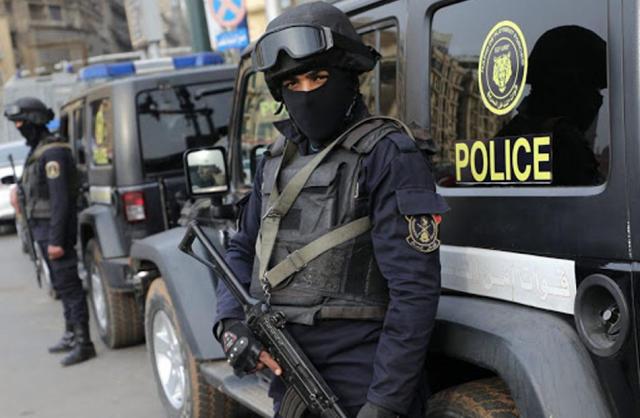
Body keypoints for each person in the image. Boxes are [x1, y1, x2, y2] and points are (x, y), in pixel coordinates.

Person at [213, 2, 448, 417]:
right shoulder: (275, 162)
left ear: (348, 77)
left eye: (318, 77)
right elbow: (241, 249)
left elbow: (413, 292)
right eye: (293, 82)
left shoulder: (388, 155)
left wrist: (385, 402)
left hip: (362, 381)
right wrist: (229, 324)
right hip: (289, 374)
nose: (306, 92)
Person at [4, 97, 96, 366]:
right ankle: (71, 333)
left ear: (33, 121)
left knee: (70, 286)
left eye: (20, 122)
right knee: (60, 284)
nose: (19, 127)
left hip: (55, 231)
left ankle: (84, 343)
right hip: (43, 229)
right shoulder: (39, 150)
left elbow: (60, 200)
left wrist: (56, 240)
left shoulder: (53, 152)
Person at [497, 25, 607, 186]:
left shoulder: (512, 136)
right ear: (571, 87)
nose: (597, 101)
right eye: (594, 89)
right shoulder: (563, 145)